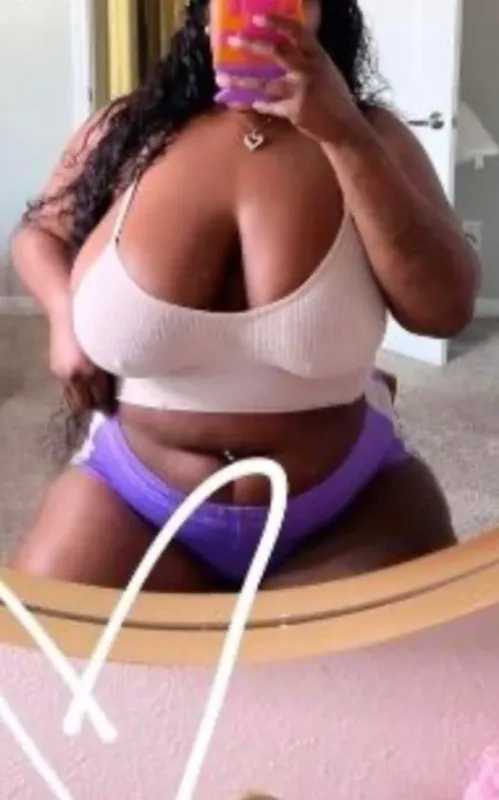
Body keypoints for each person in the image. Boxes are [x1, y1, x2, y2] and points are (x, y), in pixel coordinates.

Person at [9, 0, 479, 592]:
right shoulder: (129, 130)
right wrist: (63, 314)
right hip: (131, 500)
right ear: (206, 17)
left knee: (422, 648)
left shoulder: (374, 136)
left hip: (348, 509)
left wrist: (343, 133)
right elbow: (40, 233)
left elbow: (444, 310)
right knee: (41, 643)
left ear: (322, 14)